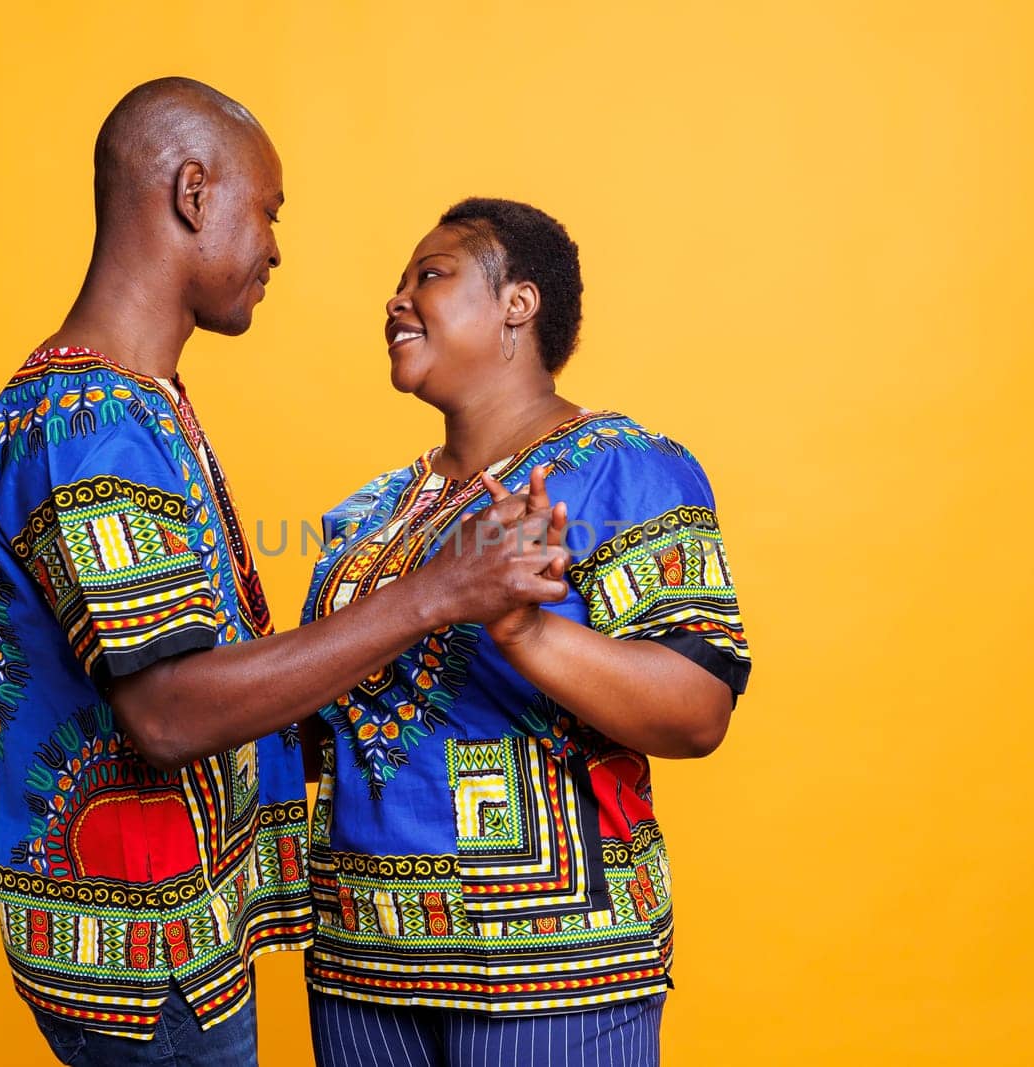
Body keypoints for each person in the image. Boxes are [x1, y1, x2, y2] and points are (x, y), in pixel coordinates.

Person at [0, 82, 570, 1067]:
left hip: (185, 937)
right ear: (193, 193)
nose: (276, 246)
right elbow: (165, 713)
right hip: (147, 965)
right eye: (269, 210)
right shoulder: (90, 422)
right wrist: (435, 595)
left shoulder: (137, 401)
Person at [301, 198, 753, 1066]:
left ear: (519, 304)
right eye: (396, 284)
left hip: (556, 973)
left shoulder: (624, 467)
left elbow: (698, 708)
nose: (396, 300)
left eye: (429, 275)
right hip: (361, 966)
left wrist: (523, 630)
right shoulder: (370, 512)